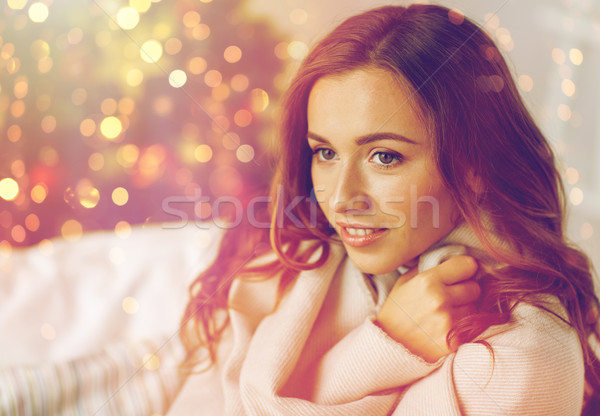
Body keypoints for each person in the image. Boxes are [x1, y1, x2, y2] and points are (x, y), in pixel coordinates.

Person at [173, 4, 600, 415]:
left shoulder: (521, 359)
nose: (341, 199)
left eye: (384, 157)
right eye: (324, 152)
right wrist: (391, 339)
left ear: (474, 165)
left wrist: (385, 347)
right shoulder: (302, 251)